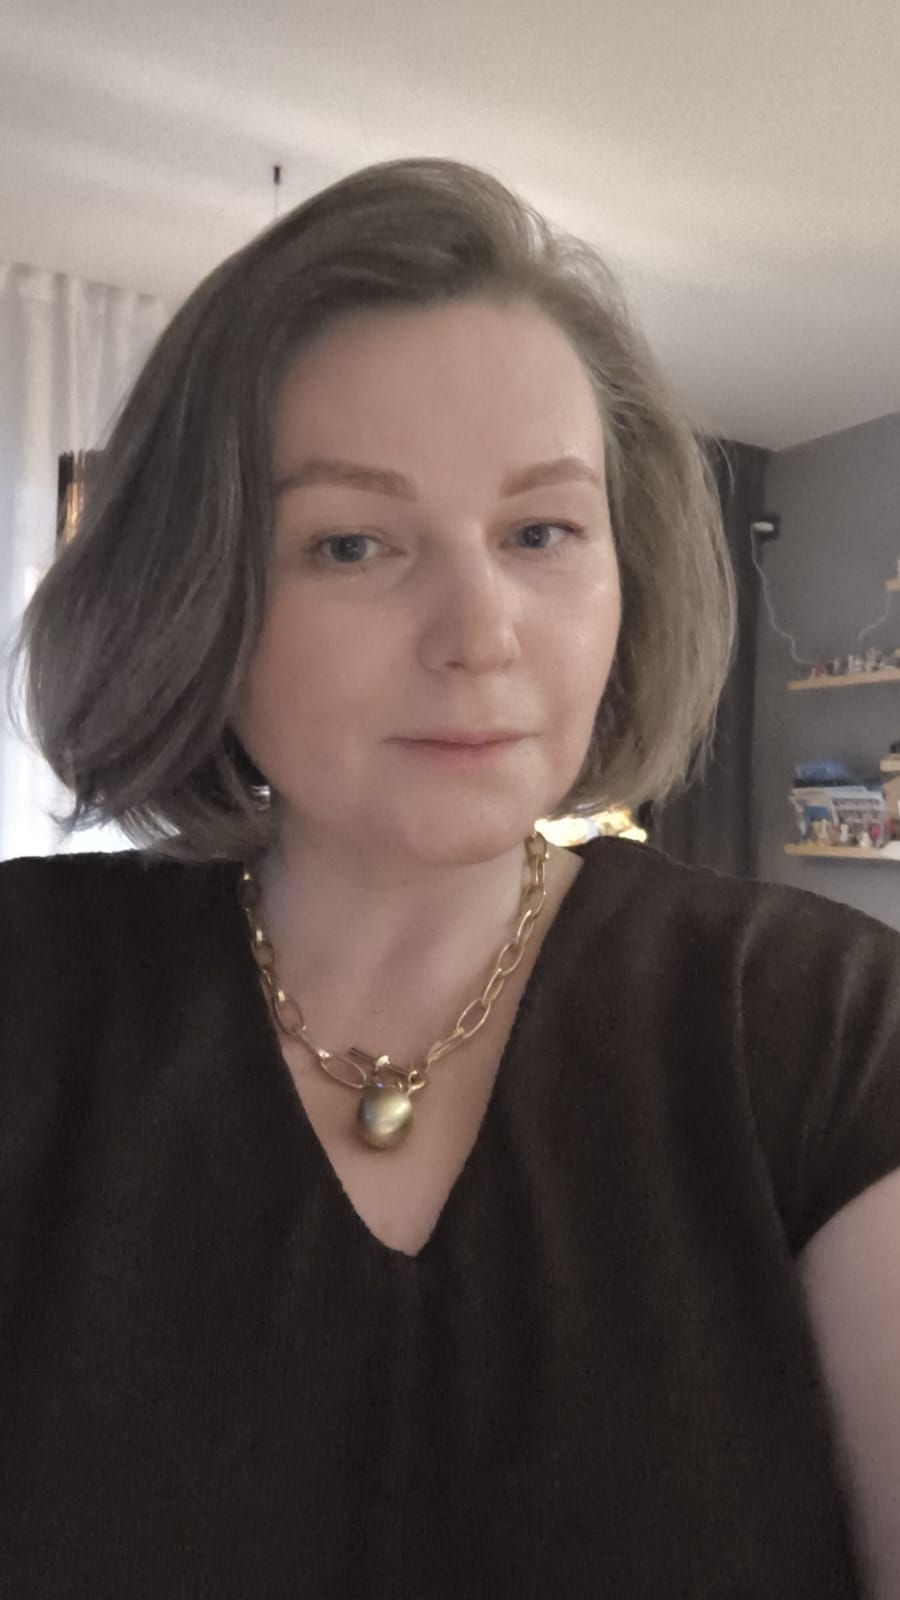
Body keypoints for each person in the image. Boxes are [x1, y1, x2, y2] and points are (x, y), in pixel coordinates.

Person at [2, 157, 900, 1599]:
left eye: (542, 532)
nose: (479, 632)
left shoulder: (824, 1027)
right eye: (352, 543)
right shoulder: (34, 993)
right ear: (199, 591)